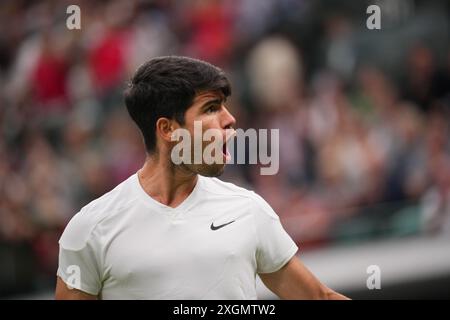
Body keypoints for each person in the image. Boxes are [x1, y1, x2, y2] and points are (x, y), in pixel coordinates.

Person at [55, 56, 348, 300]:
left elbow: (318, 298)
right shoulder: (90, 228)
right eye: (211, 108)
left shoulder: (248, 209)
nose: (230, 119)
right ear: (168, 129)